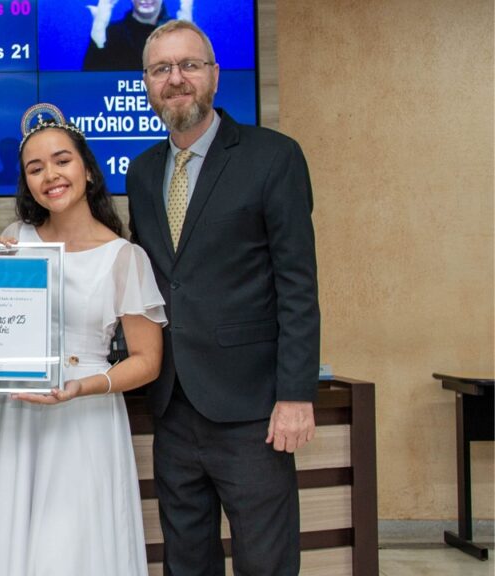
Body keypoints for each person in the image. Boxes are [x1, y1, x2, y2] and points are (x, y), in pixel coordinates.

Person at [126, 20, 320, 574]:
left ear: (213, 75)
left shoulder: (273, 156)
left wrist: (296, 394)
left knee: (265, 561)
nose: (176, 78)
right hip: (173, 405)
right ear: (147, 84)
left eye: (189, 65)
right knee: (187, 560)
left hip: (253, 409)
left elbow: (298, 285)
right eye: (162, 69)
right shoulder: (141, 173)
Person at [0, 103, 167, 576]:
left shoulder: (125, 257)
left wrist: (81, 386)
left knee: (71, 548)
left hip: (85, 418)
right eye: (35, 168)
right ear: (27, 183)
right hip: (17, 413)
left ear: (88, 171)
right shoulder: (15, 239)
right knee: (13, 542)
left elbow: (147, 361)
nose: (50, 175)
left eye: (61, 160)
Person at [83, 0, 190, 71]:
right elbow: (91, 85)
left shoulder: (178, 34)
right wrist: (98, 30)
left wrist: (189, 38)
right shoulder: (112, 35)